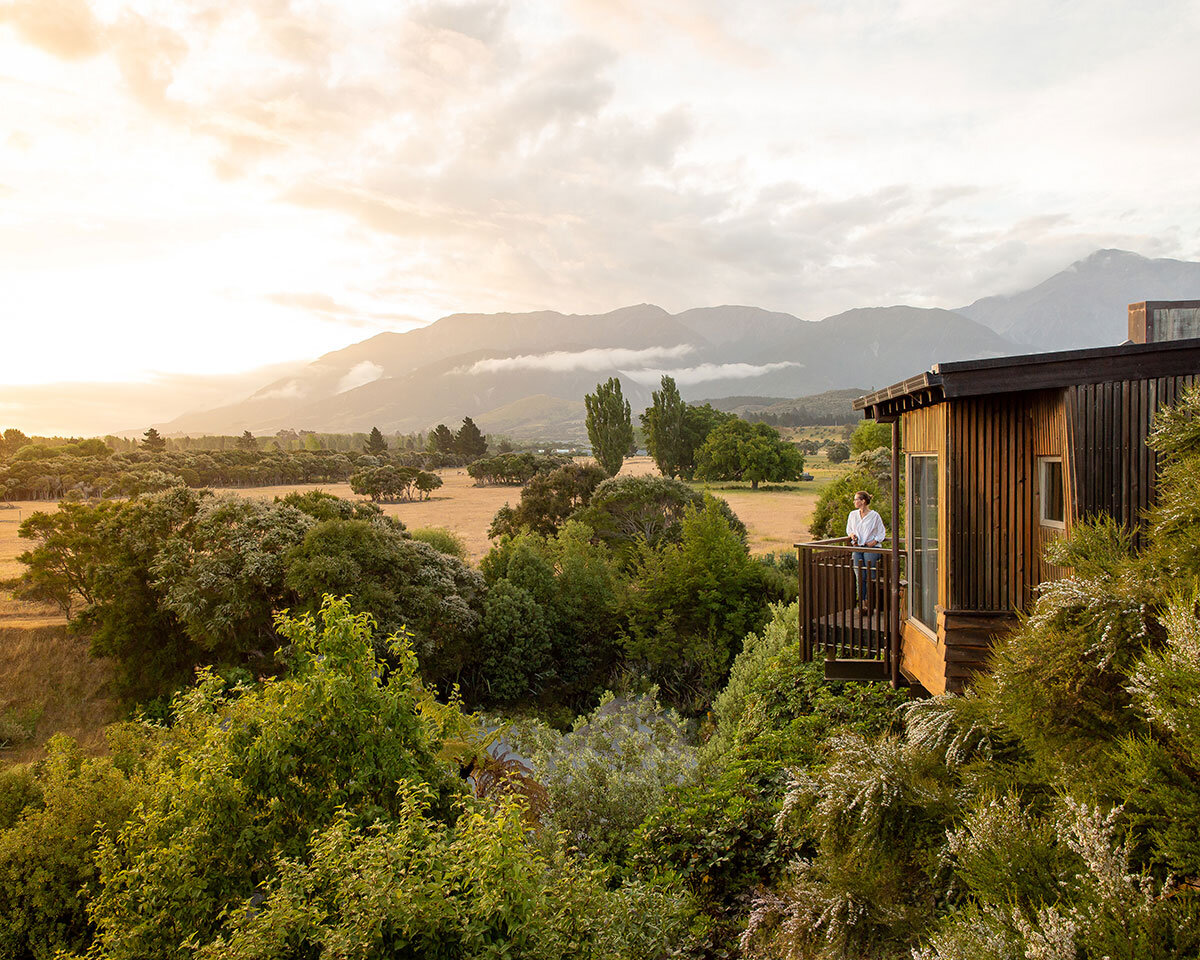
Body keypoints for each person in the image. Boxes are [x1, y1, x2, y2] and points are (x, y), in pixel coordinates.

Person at [846, 490, 886, 609]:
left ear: (863, 501)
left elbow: (881, 532)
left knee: (870, 575)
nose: (854, 502)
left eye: (856, 499)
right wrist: (852, 535)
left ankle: (870, 601)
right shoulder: (853, 515)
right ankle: (862, 602)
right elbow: (849, 529)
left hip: (871, 548)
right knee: (859, 575)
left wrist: (874, 542)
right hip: (857, 547)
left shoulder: (875, 516)